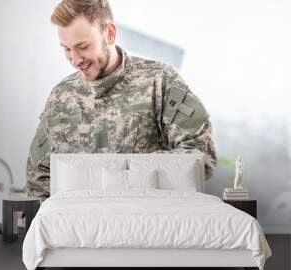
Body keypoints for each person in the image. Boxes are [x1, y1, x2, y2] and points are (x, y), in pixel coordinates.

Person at [26, 0, 217, 201]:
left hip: (149, 223)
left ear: (109, 34)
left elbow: (201, 153)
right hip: (79, 227)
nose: (75, 60)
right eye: (66, 49)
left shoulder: (160, 80)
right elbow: (37, 178)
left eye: (83, 46)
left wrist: (137, 173)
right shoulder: (60, 97)